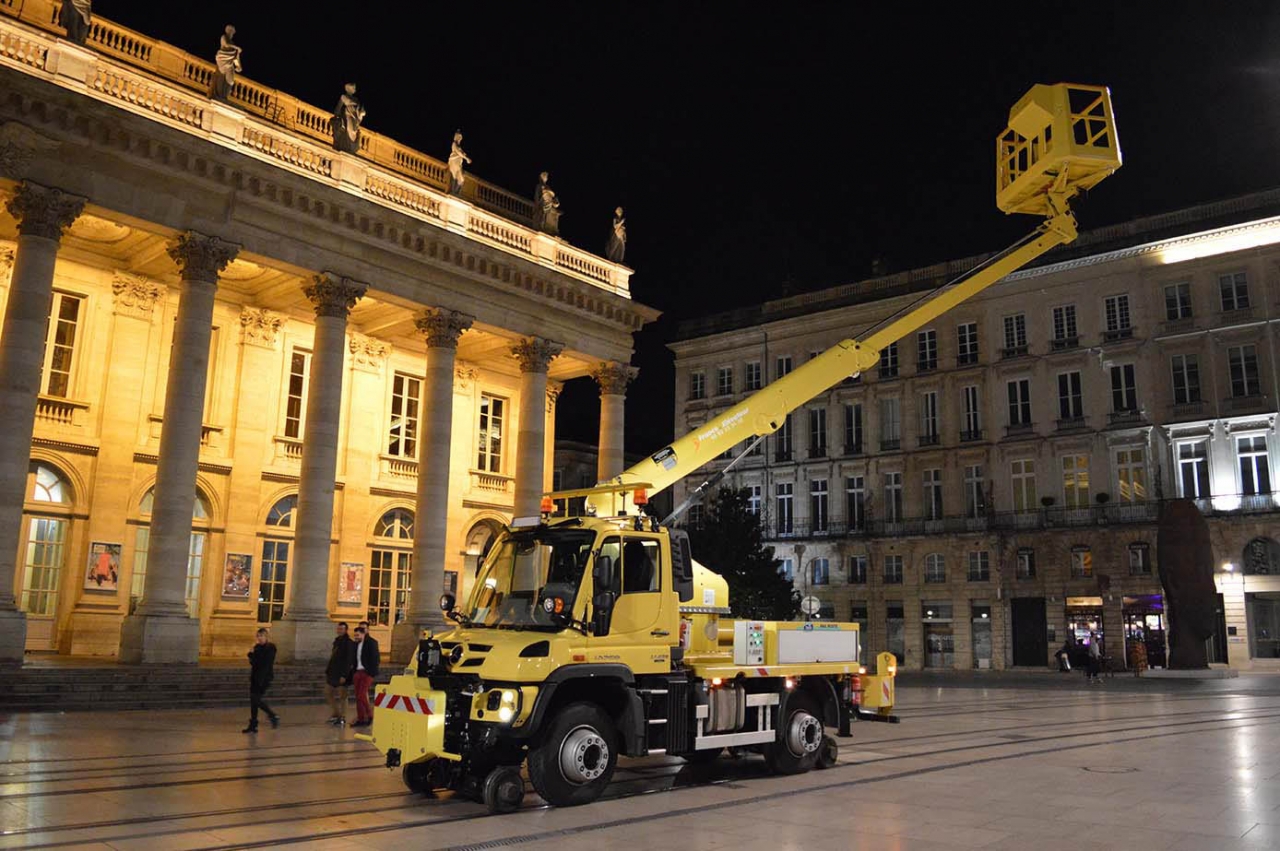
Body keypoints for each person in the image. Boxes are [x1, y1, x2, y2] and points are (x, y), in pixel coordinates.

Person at [244, 628, 279, 733]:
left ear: (266, 637)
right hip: (255, 677)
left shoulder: (270, 648)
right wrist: (251, 656)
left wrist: (252, 655)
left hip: (264, 678)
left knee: (256, 699)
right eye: (258, 636)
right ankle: (253, 724)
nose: (259, 638)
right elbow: (254, 663)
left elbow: (265, 662)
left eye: (261, 636)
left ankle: (272, 715)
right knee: (253, 701)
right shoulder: (257, 647)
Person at [325, 621, 355, 726]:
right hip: (333, 672)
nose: (339, 631)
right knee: (328, 692)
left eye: (341, 629)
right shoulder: (337, 641)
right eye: (338, 629)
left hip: (342, 673)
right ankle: (336, 713)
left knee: (343, 696)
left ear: (346, 630)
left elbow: (348, 660)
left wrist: (344, 675)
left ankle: (343, 716)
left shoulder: (349, 643)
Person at [350, 625, 380, 728]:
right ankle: (361, 718)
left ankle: (370, 714)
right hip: (357, 672)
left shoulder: (371, 643)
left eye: (358, 635)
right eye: (355, 635)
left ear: (363, 634)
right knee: (358, 696)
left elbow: (375, 658)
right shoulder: (355, 645)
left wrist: (371, 672)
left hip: (367, 672)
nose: (356, 637)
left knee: (362, 694)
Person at [209, 25, 242, 103]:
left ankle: (224, 96)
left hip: (230, 63)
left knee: (230, 81)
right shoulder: (223, 37)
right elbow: (226, 44)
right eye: (230, 30)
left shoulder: (233, 44)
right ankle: (219, 96)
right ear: (227, 30)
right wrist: (236, 47)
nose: (231, 33)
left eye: (232, 31)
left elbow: (235, 57)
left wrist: (238, 65)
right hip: (222, 60)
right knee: (221, 78)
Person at [331, 83, 365, 155]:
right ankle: (349, 145)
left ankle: (350, 146)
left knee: (353, 131)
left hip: (355, 118)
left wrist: (361, 112)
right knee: (351, 130)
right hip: (348, 116)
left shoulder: (356, 99)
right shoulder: (343, 97)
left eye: (355, 88)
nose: (355, 89)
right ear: (349, 88)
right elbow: (338, 109)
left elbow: (359, 109)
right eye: (353, 88)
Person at [447, 130, 471, 195]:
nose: (459, 139)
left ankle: (455, 192)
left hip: (458, 163)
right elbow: (459, 152)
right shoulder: (454, 144)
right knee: (455, 177)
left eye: (460, 137)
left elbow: (461, 153)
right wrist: (466, 158)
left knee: (461, 179)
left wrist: (465, 156)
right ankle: (453, 191)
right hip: (454, 162)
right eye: (459, 137)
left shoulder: (458, 146)